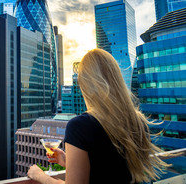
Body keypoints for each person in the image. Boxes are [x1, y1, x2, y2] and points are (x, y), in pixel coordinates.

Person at [27, 48, 168, 184]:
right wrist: (67, 161)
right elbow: (112, 168)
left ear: (84, 84)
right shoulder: (137, 122)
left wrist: (40, 176)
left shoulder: (80, 126)